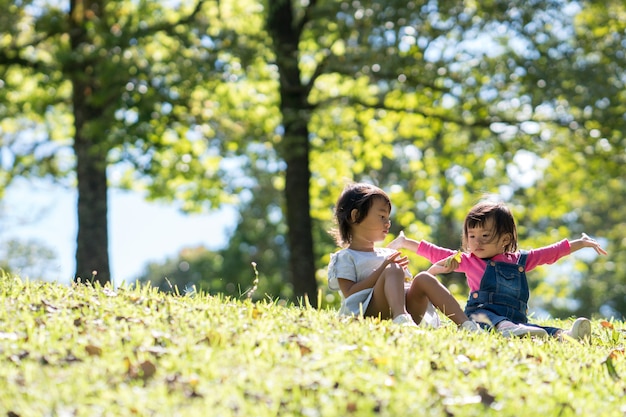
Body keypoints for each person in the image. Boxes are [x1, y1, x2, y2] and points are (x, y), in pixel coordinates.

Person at [388, 200, 608, 339]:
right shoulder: (469, 260)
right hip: (480, 315)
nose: (477, 242)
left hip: (516, 318)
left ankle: (566, 335)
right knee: (496, 320)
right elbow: (436, 253)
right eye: (471, 236)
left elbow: (549, 253)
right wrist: (406, 243)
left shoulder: (520, 260)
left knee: (536, 328)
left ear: (505, 239)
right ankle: (508, 329)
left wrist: (580, 243)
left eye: (485, 235)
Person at [327, 182, 481, 331]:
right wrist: (383, 269)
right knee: (393, 268)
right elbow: (350, 293)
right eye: (381, 216)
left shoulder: (388, 254)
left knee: (423, 278)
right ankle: (400, 316)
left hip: (409, 309)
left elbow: (408, 286)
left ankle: (466, 324)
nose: (388, 223)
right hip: (368, 313)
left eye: (388, 218)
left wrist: (433, 271)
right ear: (355, 216)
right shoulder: (345, 257)